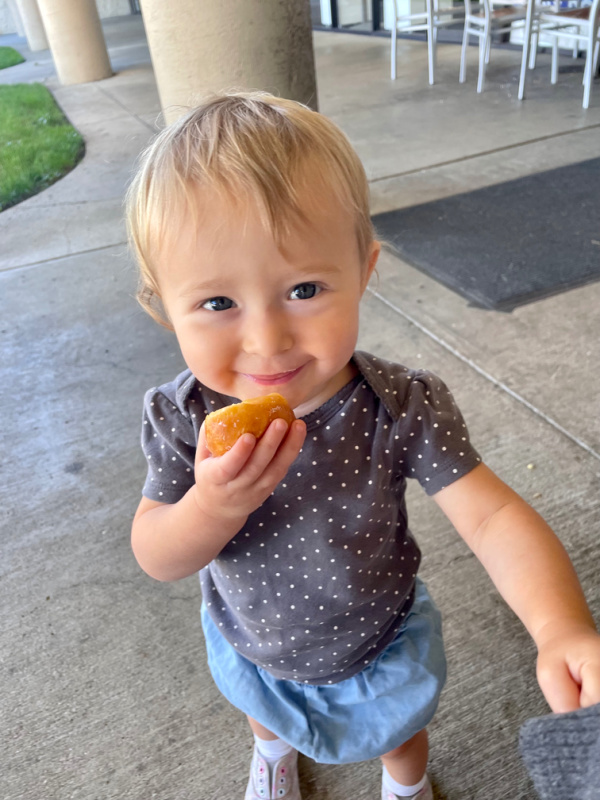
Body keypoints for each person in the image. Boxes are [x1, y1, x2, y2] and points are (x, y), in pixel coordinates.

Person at [125, 91, 600, 800]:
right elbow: (157, 552)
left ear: (364, 272)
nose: (266, 340)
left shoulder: (399, 404)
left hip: (379, 641)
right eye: (218, 303)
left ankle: (406, 788)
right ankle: (275, 759)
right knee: (264, 716)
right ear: (164, 305)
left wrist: (561, 626)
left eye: (305, 288)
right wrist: (213, 506)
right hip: (254, 641)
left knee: (402, 737)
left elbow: (492, 518)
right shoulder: (182, 417)